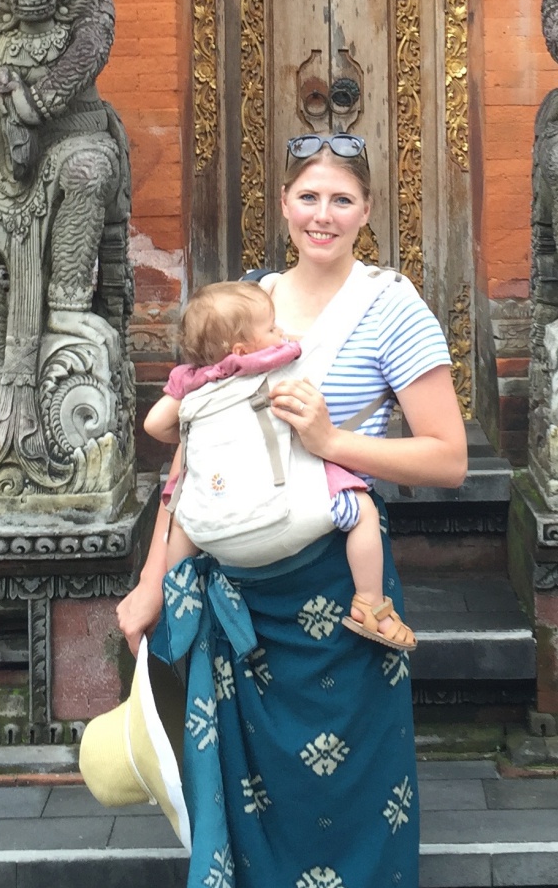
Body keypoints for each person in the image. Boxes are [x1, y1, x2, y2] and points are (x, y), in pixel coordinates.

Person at [116, 133, 468, 888]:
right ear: (284, 204)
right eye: (308, 195)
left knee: (339, 816)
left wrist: (331, 436)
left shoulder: (392, 309)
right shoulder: (245, 309)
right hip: (243, 603)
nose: (323, 213)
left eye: (342, 199)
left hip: (340, 607)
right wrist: (152, 580)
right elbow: (190, 464)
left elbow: (447, 458)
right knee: (251, 816)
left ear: (367, 212)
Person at [147, 278, 417, 649]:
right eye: (272, 328)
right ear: (242, 348)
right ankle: (369, 603)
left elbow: (155, 425)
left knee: (182, 512)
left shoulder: (189, 379)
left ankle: (178, 587)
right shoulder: (268, 362)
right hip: (286, 513)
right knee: (363, 510)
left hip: (214, 529)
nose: (281, 332)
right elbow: (296, 352)